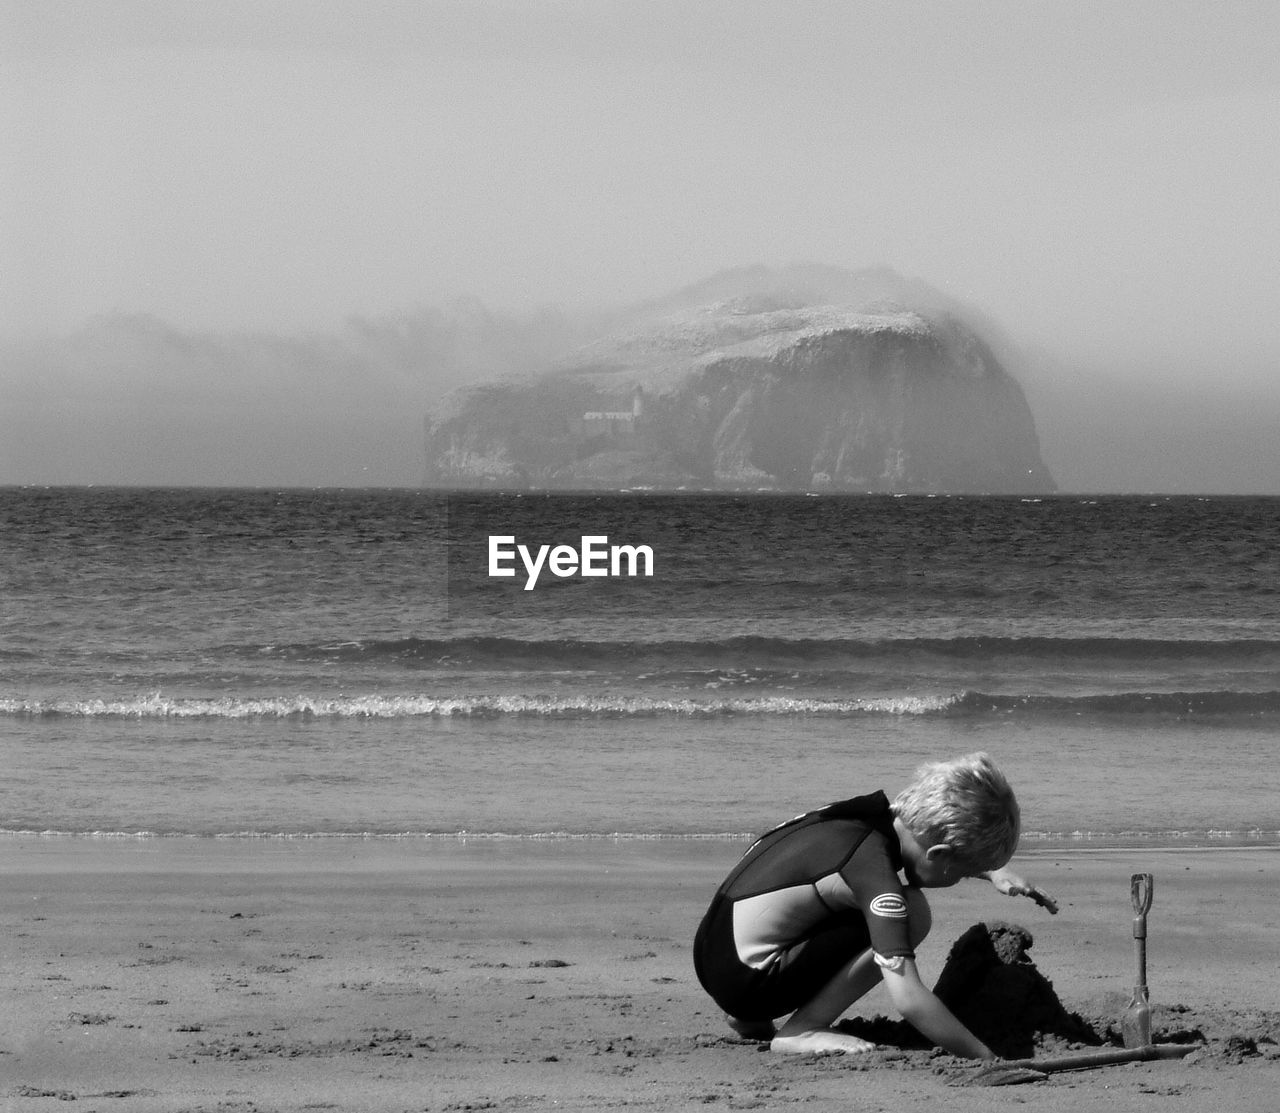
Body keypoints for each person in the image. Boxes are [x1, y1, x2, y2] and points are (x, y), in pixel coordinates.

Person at [693, 752, 1057, 1057]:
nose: (961, 879)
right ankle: (802, 1030)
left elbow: (928, 851)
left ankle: (747, 1018)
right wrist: (987, 1057)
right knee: (912, 912)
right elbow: (909, 999)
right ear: (940, 854)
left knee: (824, 901)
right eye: (963, 872)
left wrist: (992, 872)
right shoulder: (875, 877)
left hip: (715, 953)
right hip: (750, 982)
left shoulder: (866, 816)